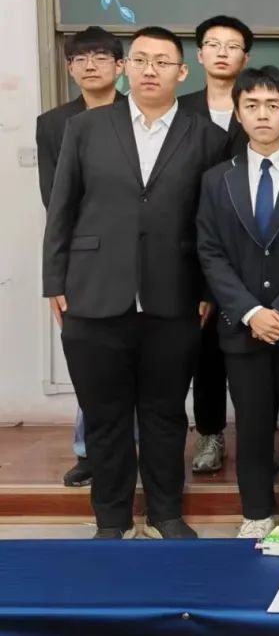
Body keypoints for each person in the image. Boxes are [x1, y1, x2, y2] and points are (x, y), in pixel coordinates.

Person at [43, 26, 227, 539]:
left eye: (162, 62)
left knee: (165, 414)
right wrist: (54, 279)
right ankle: (112, 520)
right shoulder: (85, 128)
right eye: (141, 59)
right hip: (93, 292)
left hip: (175, 297)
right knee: (105, 417)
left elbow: (212, 223)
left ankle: (165, 513)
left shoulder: (207, 137)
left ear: (181, 72)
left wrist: (207, 291)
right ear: (125, 68)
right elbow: (62, 208)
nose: (150, 70)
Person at [197, 65, 279, 539]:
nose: (262, 114)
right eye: (251, 105)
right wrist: (252, 312)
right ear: (237, 113)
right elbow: (210, 252)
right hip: (243, 327)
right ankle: (256, 513)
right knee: (252, 427)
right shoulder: (217, 180)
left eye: (273, 105)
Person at [36, 26, 124, 488]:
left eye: (101, 57)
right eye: (80, 59)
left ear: (120, 66)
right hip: (83, 260)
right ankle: (90, 450)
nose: (91, 65)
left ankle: (132, 450)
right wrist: (57, 277)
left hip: (138, 255)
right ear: (69, 68)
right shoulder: (54, 124)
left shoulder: (138, 114)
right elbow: (55, 201)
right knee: (91, 362)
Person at [179, 15, 255, 476]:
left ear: (246, 57)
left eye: (232, 46)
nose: (222, 52)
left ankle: (255, 438)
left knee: (253, 352)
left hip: (254, 248)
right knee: (204, 351)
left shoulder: (262, 102)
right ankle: (209, 432)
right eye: (213, 44)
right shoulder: (181, 109)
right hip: (196, 248)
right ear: (199, 54)